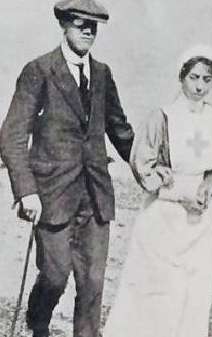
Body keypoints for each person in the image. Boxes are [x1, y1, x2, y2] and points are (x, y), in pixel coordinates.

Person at [0, 1, 135, 337]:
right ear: (64, 25)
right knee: (55, 274)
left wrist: (150, 166)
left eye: (94, 26)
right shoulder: (40, 70)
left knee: (92, 282)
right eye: (80, 24)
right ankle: (39, 320)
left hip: (95, 194)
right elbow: (13, 136)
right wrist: (26, 191)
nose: (88, 31)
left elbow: (120, 130)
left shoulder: (102, 74)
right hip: (52, 195)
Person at [102, 45, 212, 337]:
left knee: (195, 287)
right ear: (182, 76)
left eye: (207, 79)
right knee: (159, 288)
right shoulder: (162, 117)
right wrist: (174, 192)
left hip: (200, 218)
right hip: (165, 214)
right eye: (194, 77)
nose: (200, 86)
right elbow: (142, 166)